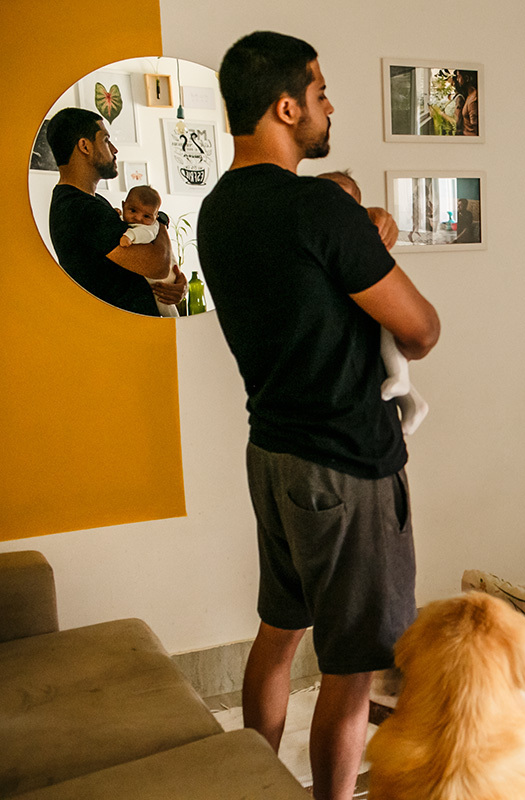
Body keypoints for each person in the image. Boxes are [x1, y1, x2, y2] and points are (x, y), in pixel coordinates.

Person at [196, 31, 439, 800]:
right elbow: (422, 331)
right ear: (286, 105)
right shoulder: (316, 214)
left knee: (279, 629)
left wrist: (350, 211)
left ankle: (251, 785)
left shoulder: (217, 212)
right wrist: (362, 229)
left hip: (273, 455)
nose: (330, 105)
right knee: (351, 666)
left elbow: (301, 262)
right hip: (346, 464)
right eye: (322, 91)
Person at [317, 169, 429, 436]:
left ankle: (405, 386)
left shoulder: (359, 234)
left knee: (388, 333)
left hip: (374, 305)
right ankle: (413, 402)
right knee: (382, 349)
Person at [45, 107, 186, 316]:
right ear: (85, 146)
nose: (114, 149)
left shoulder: (91, 202)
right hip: (124, 338)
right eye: (105, 140)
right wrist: (160, 221)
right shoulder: (80, 209)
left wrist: (175, 285)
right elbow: (158, 266)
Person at [118, 184, 180, 317]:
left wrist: (130, 237)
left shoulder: (151, 226)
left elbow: (146, 234)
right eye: (133, 211)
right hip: (152, 276)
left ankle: (175, 320)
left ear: (156, 216)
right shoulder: (129, 221)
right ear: (124, 206)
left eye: (146, 216)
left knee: (163, 302)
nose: (138, 218)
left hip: (165, 277)